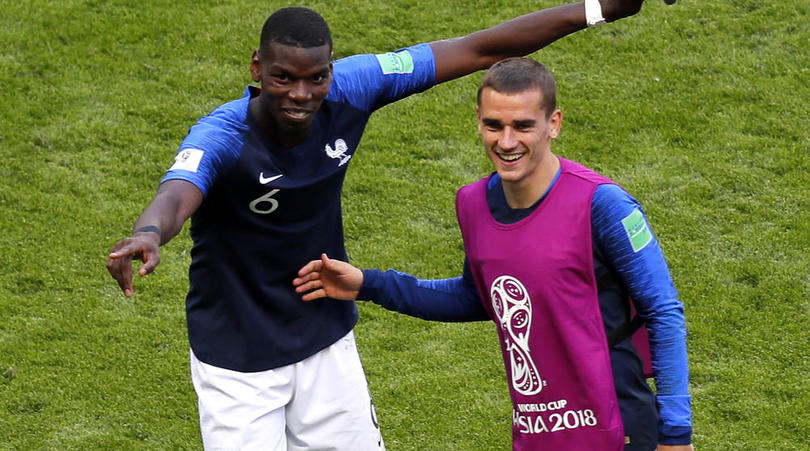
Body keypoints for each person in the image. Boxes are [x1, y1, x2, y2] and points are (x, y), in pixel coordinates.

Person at [106, 1, 648, 449]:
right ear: (256, 69)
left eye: (315, 78)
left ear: (331, 70)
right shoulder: (223, 134)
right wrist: (151, 233)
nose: (301, 94)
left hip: (325, 340)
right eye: (283, 79)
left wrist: (599, 8)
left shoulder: (355, 86)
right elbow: (178, 193)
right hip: (238, 365)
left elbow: (480, 47)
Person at [294, 58, 693, 450]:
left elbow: (663, 310)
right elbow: (477, 296)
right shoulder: (473, 205)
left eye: (522, 126)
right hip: (537, 430)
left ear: (553, 124)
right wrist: (369, 284)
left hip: (616, 426)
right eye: (493, 125)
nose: (506, 141)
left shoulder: (603, 205)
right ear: (479, 120)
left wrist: (675, 434)